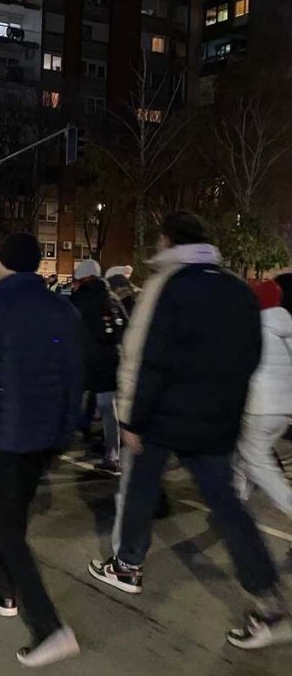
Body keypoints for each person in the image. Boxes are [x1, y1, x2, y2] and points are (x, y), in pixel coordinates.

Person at [89, 211, 290, 651]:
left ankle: (127, 565)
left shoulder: (168, 285)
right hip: (216, 419)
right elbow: (250, 355)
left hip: (164, 417)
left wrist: (132, 417)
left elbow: (148, 356)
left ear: (168, 241)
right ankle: (270, 599)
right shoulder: (236, 288)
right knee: (228, 506)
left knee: (140, 488)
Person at [0, 233, 83, 668]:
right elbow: (73, 376)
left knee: (5, 530)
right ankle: (3, 590)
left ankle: (49, 627)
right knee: (15, 516)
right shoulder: (62, 310)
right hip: (43, 437)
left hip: (1, 435)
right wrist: (66, 431)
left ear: (2, 263)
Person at [233, 279, 292, 522]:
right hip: (283, 411)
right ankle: (235, 502)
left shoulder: (252, 329)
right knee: (244, 454)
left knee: (257, 461)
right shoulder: (287, 327)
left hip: (260, 407)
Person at [70, 259, 128, 475]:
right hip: (110, 361)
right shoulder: (111, 298)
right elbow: (126, 326)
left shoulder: (79, 299)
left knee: (70, 402)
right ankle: (113, 456)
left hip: (84, 362)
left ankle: (52, 445)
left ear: (83, 279)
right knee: (108, 408)